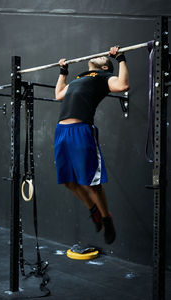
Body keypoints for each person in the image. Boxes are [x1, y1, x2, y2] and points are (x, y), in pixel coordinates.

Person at [54, 46, 129, 244]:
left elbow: (122, 85)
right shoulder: (80, 78)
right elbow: (59, 94)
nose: (98, 54)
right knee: (69, 181)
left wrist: (120, 58)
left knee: (92, 184)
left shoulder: (105, 78)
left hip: (81, 131)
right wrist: (63, 72)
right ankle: (94, 210)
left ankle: (106, 219)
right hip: (62, 132)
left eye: (102, 57)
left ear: (105, 66)